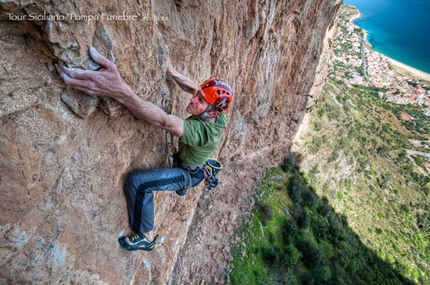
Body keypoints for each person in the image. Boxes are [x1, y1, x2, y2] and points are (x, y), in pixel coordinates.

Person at [55, 47, 234, 251]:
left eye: (201, 101)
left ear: (212, 113)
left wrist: (119, 91)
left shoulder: (204, 133)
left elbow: (164, 121)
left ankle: (146, 236)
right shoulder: (218, 112)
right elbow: (193, 88)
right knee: (175, 162)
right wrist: (172, 72)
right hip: (190, 160)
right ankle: (181, 183)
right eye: (200, 96)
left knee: (138, 183)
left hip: (188, 173)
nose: (194, 99)